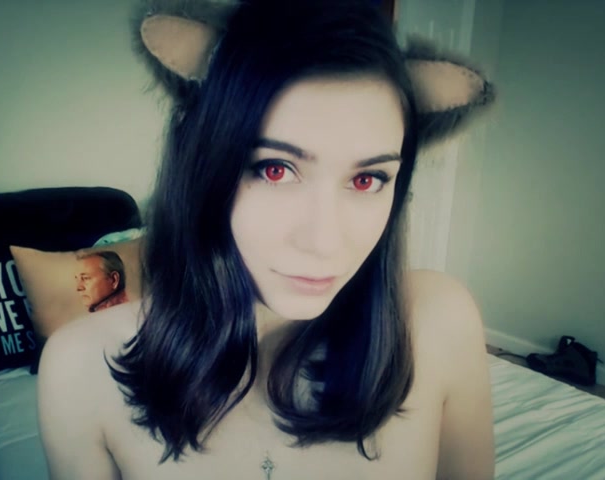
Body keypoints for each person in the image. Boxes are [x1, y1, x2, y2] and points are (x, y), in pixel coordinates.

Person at [38, 1, 496, 479]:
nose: (324, 242)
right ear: (203, 170)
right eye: (275, 170)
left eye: (367, 180)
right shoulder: (80, 369)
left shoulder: (440, 322)